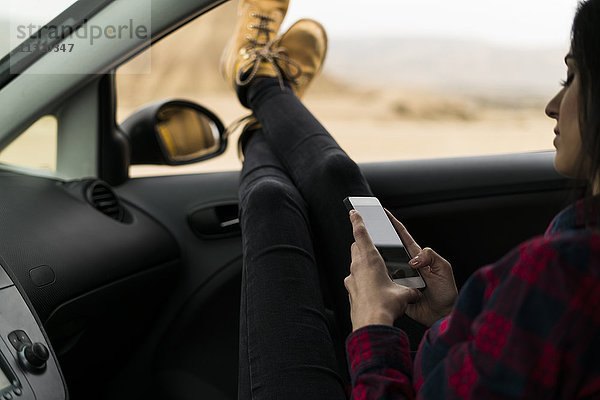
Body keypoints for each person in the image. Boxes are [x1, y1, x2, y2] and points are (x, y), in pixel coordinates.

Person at [221, 0, 600, 398]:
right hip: (434, 363)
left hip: (395, 380)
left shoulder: (562, 272)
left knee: (269, 201)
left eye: (572, 78)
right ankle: (264, 99)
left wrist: (373, 323)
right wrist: (447, 315)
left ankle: (260, 88)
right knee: (338, 176)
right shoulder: (576, 234)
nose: (552, 106)